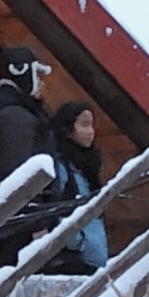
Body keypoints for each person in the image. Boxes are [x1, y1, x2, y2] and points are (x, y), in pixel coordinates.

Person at [0, 44, 54, 268]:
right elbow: (19, 174)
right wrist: (36, 221)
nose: (41, 83)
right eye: (36, 74)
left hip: (15, 223)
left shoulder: (15, 113)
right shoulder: (15, 117)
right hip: (21, 228)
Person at [46, 100, 108, 275]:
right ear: (68, 129)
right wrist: (78, 241)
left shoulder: (87, 167)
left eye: (91, 126)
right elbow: (53, 207)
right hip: (73, 260)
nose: (91, 132)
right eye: (84, 125)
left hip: (93, 256)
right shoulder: (60, 167)